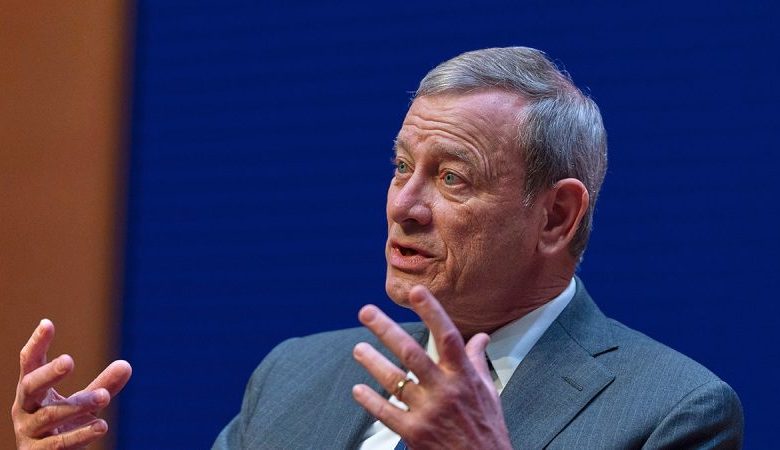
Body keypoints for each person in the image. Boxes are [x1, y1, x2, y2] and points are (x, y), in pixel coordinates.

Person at [12, 47, 743, 449]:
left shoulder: (673, 414)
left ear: (556, 216)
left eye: (451, 177)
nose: (404, 205)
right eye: (401, 167)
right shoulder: (294, 378)